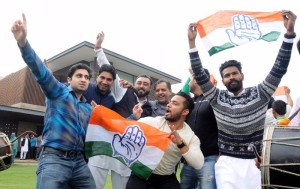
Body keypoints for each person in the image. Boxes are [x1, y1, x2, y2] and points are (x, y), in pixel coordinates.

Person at [187, 10, 296, 189]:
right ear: (222, 80)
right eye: (227, 75)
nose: (231, 77)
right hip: (227, 164)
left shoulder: (260, 93)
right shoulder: (217, 97)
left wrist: (289, 35)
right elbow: (199, 73)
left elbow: (279, 68)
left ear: (242, 75)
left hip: (254, 163)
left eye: (234, 73)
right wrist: (192, 42)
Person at [11, 13, 96, 188]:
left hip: (80, 162)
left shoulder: (88, 108)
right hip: (54, 159)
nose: (83, 79)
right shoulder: (58, 92)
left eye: (87, 77)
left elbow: (108, 130)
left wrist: (132, 118)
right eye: (79, 76)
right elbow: (39, 70)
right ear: (69, 79)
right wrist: (23, 43)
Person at [88, 32, 152, 189]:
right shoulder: (123, 91)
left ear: (150, 88)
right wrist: (98, 49)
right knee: (93, 185)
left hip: (126, 152)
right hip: (105, 144)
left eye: (146, 84)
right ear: (134, 84)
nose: (142, 86)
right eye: (139, 83)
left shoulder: (152, 108)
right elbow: (109, 71)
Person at [126, 91, 204, 189]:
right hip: (141, 172)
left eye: (175, 103)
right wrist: (133, 117)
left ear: (185, 112)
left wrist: (180, 144)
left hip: (165, 177)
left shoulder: (190, 136)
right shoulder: (152, 122)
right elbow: (123, 127)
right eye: (170, 102)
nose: (169, 105)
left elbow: (198, 163)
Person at [180, 68, 219, 189]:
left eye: (190, 79)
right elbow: (177, 99)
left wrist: (221, 154)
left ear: (196, 80)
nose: (188, 83)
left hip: (208, 159)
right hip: (188, 158)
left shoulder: (214, 99)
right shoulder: (189, 102)